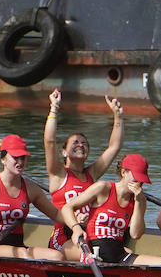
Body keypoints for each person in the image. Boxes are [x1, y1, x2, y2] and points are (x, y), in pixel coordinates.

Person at [0, 135, 69, 261]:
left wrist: (76, 221)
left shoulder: (30, 188)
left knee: (57, 256)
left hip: (17, 245)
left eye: (23, 157)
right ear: (3, 159)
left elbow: (56, 214)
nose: (20, 162)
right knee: (23, 254)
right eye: (16, 158)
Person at [43, 87, 124, 258]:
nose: (80, 145)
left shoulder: (91, 174)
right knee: (102, 255)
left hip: (88, 236)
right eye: (75, 142)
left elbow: (114, 147)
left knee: (119, 254)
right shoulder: (58, 173)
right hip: (63, 238)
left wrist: (118, 116)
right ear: (64, 152)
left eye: (85, 143)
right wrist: (54, 109)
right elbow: (49, 141)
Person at [61, 154, 161, 266]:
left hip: (118, 253)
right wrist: (76, 228)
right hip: (92, 251)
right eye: (136, 178)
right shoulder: (103, 188)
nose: (139, 183)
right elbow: (67, 208)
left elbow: (135, 234)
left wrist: (139, 202)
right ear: (123, 172)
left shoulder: (139, 200)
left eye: (142, 179)